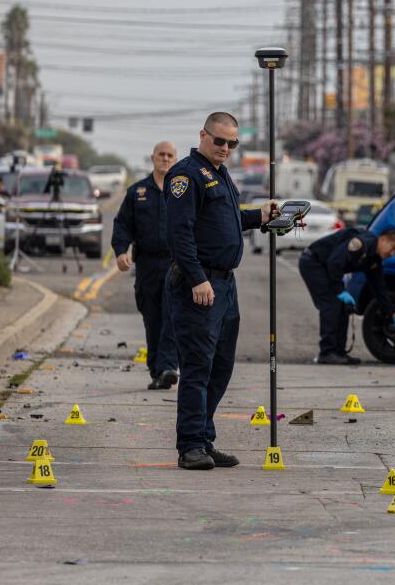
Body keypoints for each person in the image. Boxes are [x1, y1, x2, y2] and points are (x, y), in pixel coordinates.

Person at [165, 113, 279, 471]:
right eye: (220, 141)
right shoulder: (185, 175)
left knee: (221, 366)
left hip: (225, 284)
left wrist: (260, 215)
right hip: (199, 284)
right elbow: (179, 233)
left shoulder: (219, 174)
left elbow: (226, 221)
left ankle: (204, 438)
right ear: (203, 135)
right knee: (198, 367)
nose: (226, 148)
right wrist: (197, 278)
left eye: (232, 144)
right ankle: (190, 446)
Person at [111, 142, 179, 390]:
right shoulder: (137, 192)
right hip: (148, 265)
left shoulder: (183, 190)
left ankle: (169, 367)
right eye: (161, 154)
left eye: (169, 155)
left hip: (176, 264)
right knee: (153, 319)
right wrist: (121, 252)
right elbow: (122, 225)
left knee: (172, 316)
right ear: (152, 158)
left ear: (176, 159)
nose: (165, 158)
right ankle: (157, 371)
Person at [298, 226, 395, 365]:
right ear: (383, 239)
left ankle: (339, 352)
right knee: (331, 304)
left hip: (327, 267)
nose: (392, 253)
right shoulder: (363, 243)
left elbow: (379, 289)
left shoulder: (374, 259)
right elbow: (335, 262)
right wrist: (340, 291)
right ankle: (327, 352)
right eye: (392, 247)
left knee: (344, 306)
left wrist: (392, 313)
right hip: (314, 262)